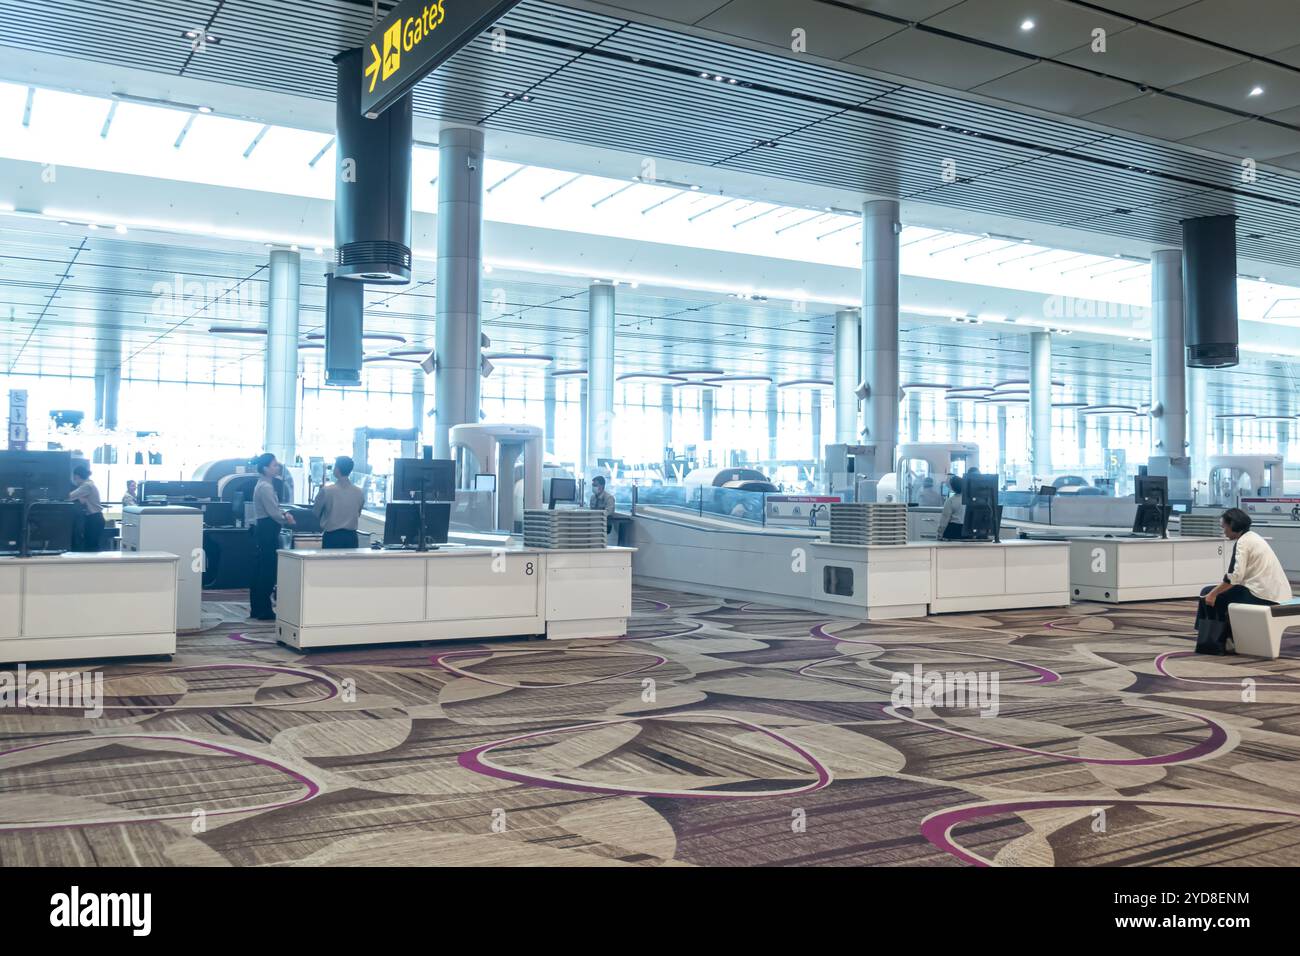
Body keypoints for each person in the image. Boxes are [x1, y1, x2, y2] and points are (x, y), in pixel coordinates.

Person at [1195, 508, 1291, 654]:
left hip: (1262, 595)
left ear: (1233, 525)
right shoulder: (1253, 537)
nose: (1224, 532)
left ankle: (1216, 639)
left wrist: (1213, 594)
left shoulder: (1242, 543)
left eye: (1224, 527)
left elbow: (1234, 577)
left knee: (1208, 593)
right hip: (1276, 593)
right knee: (1212, 592)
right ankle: (1227, 636)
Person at [249, 452, 294, 621]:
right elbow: (273, 512)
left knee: (262, 569)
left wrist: (282, 513)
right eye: (274, 465)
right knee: (268, 570)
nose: (278, 467)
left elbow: (273, 508)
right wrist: (286, 518)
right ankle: (263, 609)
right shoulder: (265, 487)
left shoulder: (264, 484)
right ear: (265, 468)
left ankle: (258, 608)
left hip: (266, 529)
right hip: (267, 530)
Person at [313, 455, 365, 550]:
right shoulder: (359, 492)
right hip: (352, 538)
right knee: (349, 565)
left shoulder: (326, 491)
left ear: (337, 469)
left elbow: (316, 512)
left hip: (332, 538)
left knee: (331, 564)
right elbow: (358, 513)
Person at [69, 465, 105, 552]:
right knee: (91, 547)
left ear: (77, 476)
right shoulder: (90, 484)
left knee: (91, 548)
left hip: (94, 519)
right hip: (95, 518)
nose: (74, 480)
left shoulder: (87, 486)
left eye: (74, 478)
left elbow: (70, 496)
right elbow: (82, 501)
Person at [938, 474, 965, 540]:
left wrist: (940, 533)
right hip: (966, 531)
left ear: (952, 487)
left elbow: (944, 519)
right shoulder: (969, 500)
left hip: (953, 530)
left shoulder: (950, 501)